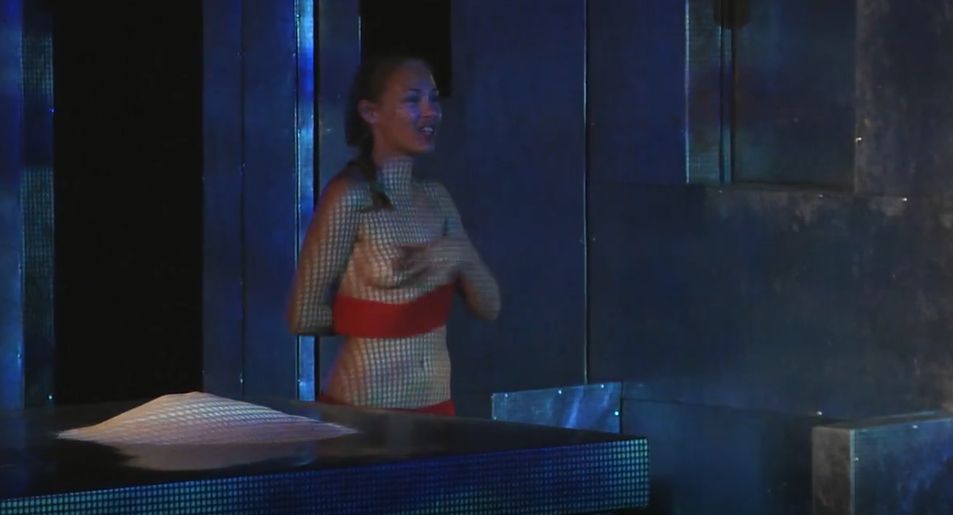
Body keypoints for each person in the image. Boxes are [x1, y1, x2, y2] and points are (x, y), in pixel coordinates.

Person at [287, 55, 500, 416]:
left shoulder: (437, 199)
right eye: (413, 100)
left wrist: (461, 254)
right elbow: (302, 314)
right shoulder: (350, 197)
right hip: (366, 411)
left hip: (436, 409)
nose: (430, 112)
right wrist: (376, 314)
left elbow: (490, 307)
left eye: (433, 99)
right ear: (371, 112)